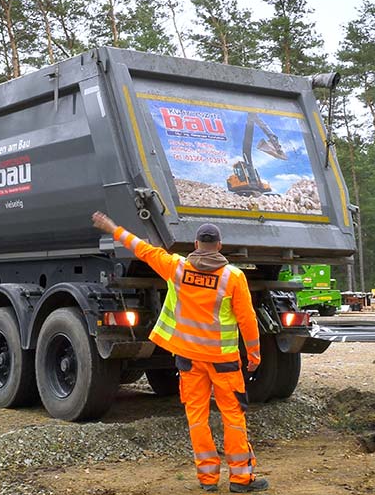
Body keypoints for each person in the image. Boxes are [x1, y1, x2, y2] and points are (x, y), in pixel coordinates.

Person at [91, 211, 268, 493]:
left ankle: (208, 479)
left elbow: (143, 250)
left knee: (197, 417)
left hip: (188, 359)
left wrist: (113, 228)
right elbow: (247, 319)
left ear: (196, 244)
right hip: (223, 361)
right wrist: (255, 356)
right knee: (233, 417)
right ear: (219, 246)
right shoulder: (233, 277)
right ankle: (240, 479)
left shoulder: (178, 268)